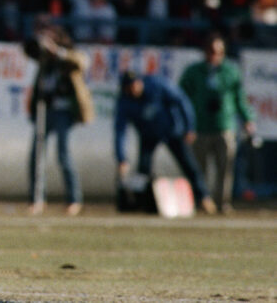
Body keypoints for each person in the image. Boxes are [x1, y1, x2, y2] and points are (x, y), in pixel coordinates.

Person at [115, 71, 216, 214]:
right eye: (128, 88)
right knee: (143, 170)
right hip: (148, 135)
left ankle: (204, 197)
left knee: (188, 165)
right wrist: (121, 158)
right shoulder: (124, 100)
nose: (132, 90)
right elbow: (120, 131)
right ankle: (143, 203)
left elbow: (182, 101)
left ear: (139, 82)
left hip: (172, 131)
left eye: (133, 86)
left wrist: (189, 127)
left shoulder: (157, 84)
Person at [179, 33, 256, 213]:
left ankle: (222, 203)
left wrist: (247, 119)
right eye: (211, 51)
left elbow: (239, 98)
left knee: (225, 169)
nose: (214, 55)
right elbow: (182, 99)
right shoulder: (194, 71)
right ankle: (202, 201)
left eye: (218, 51)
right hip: (200, 127)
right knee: (200, 169)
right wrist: (184, 124)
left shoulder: (230, 71)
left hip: (224, 126)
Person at [23, 23, 94, 216]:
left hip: (64, 111)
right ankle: (36, 199)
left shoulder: (69, 54)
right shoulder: (44, 60)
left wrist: (57, 52)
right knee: (36, 156)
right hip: (45, 110)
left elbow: (81, 62)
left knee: (63, 154)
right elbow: (28, 51)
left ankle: (74, 199)